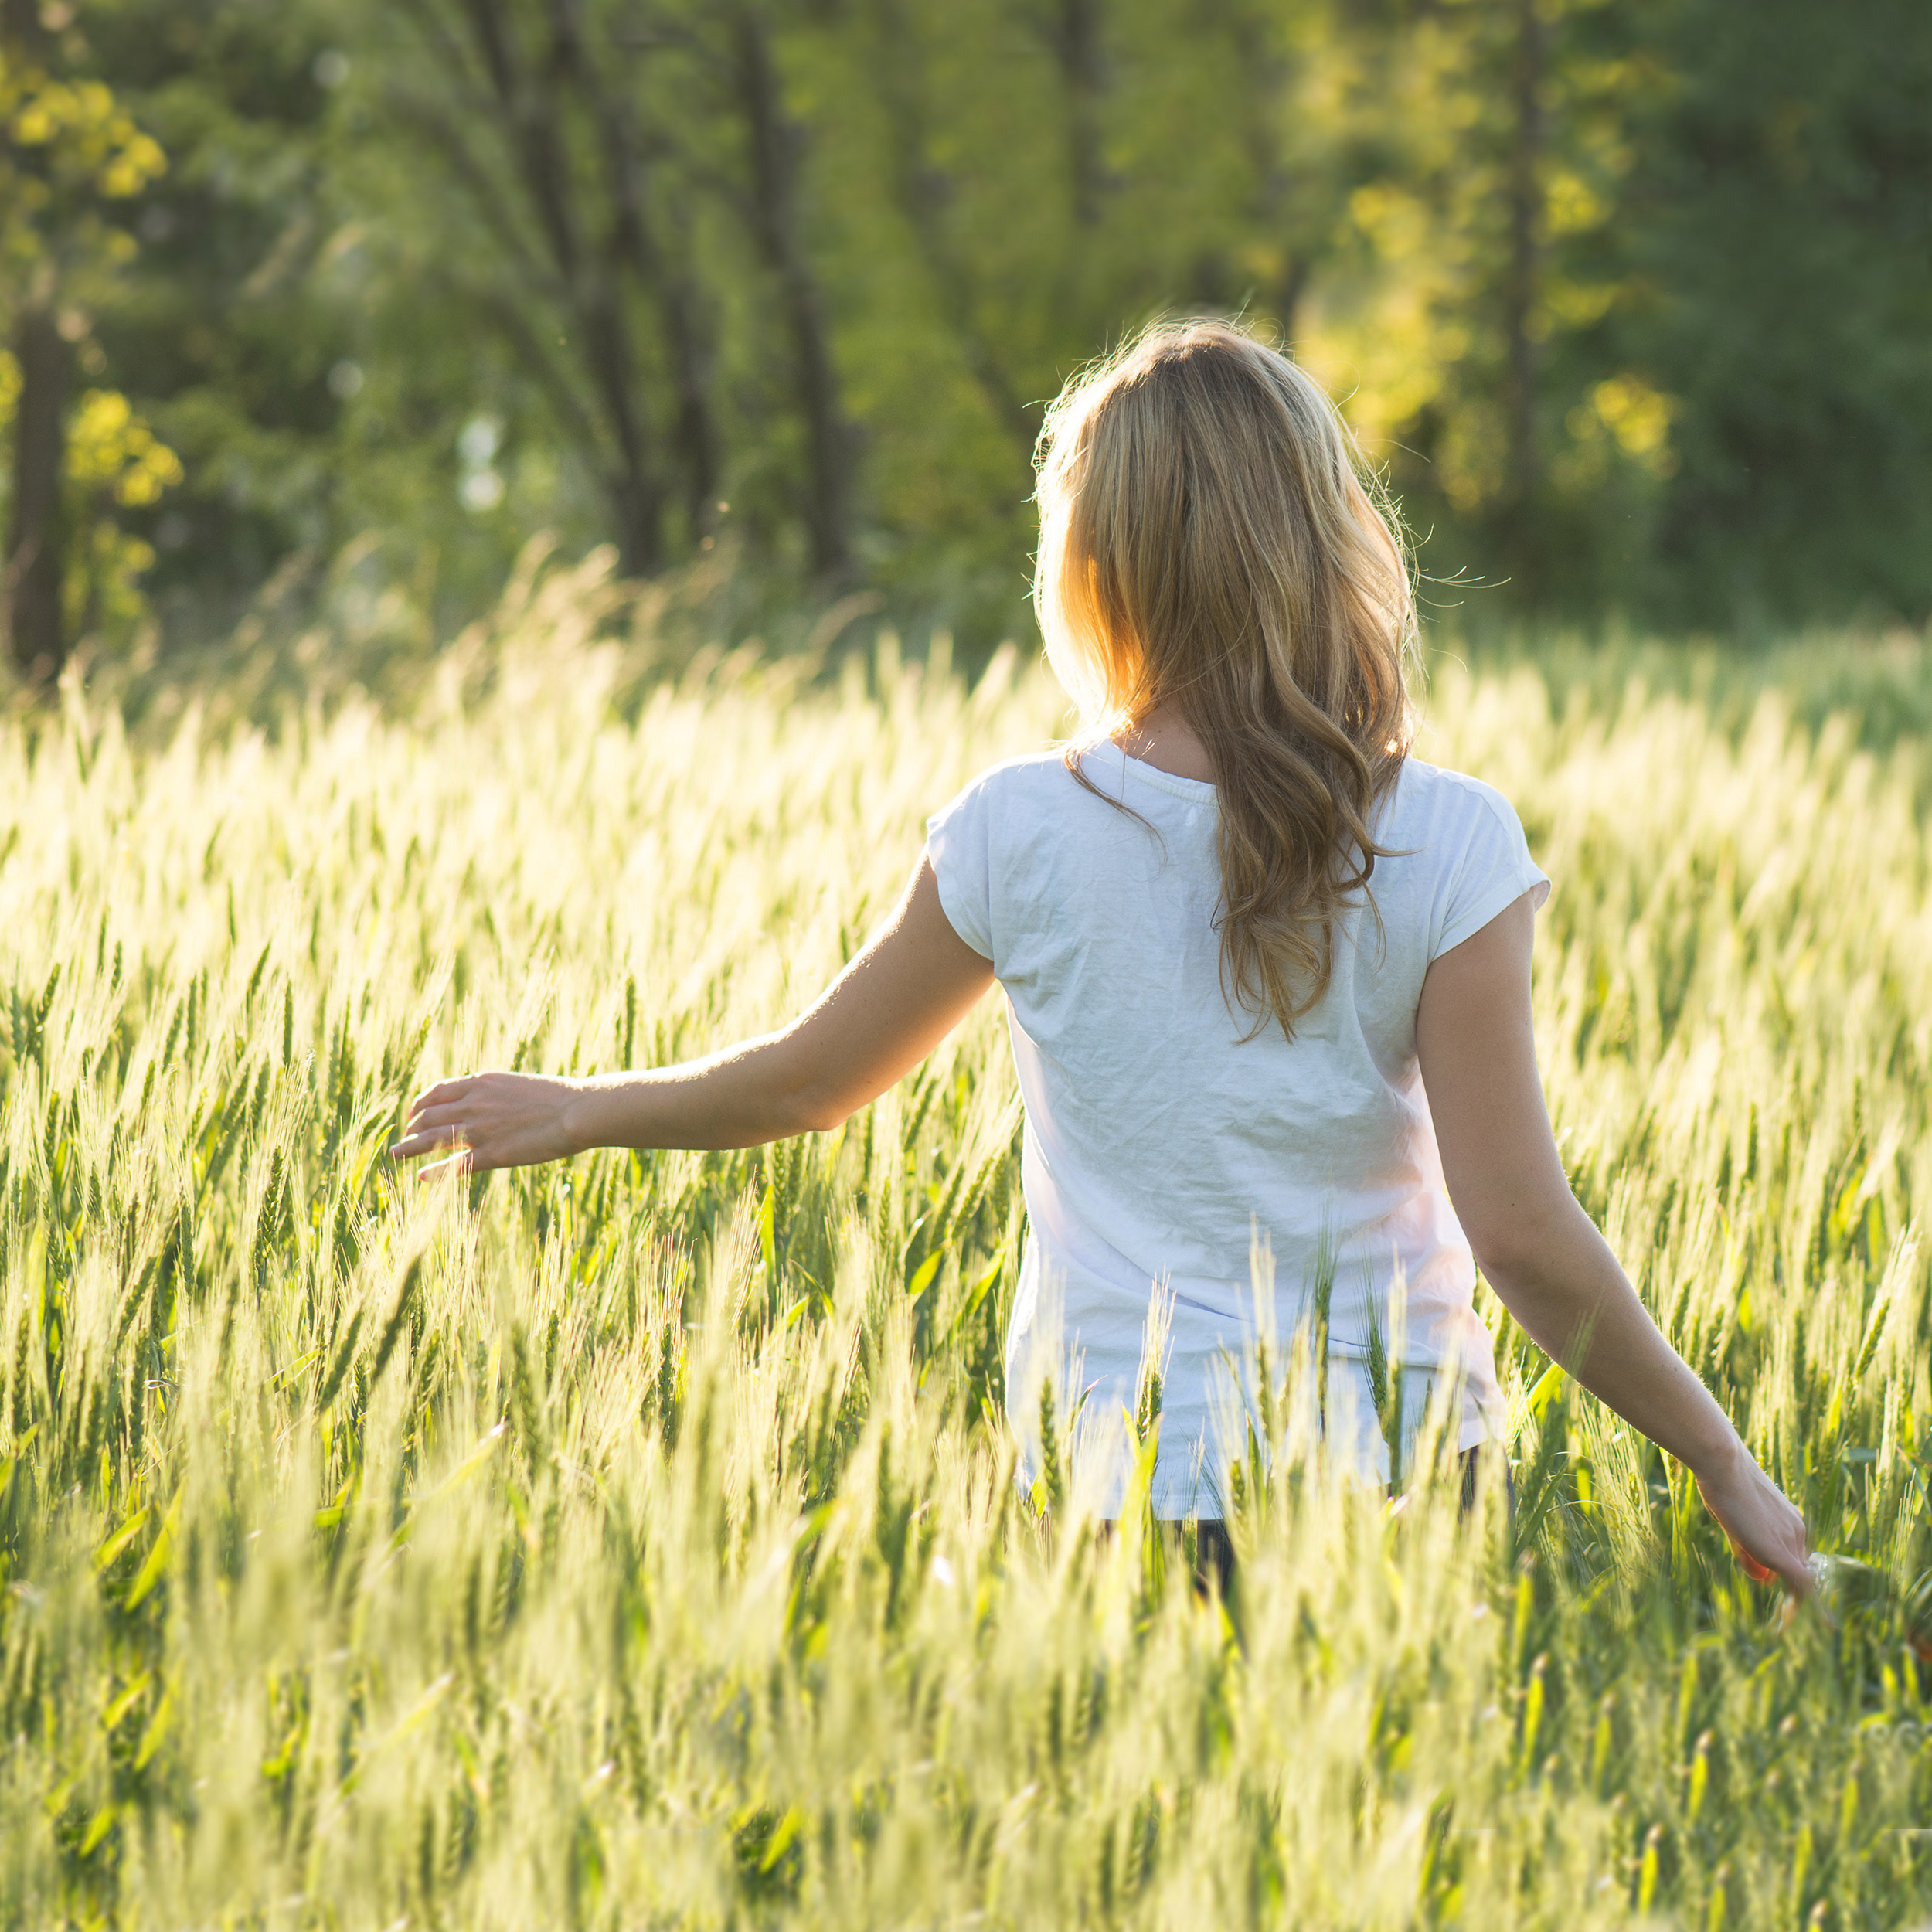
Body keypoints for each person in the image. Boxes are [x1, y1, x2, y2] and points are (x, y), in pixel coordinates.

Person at [392, 318, 1811, 1596]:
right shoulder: (1446, 838)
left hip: (1129, 1472)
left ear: (1093, 560)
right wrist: (1720, 1462)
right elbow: (1517, 1232)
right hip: (1402, 1469)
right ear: (1326, 532)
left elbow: (807, 1085)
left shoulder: (1019, 829)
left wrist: (576, 1108)